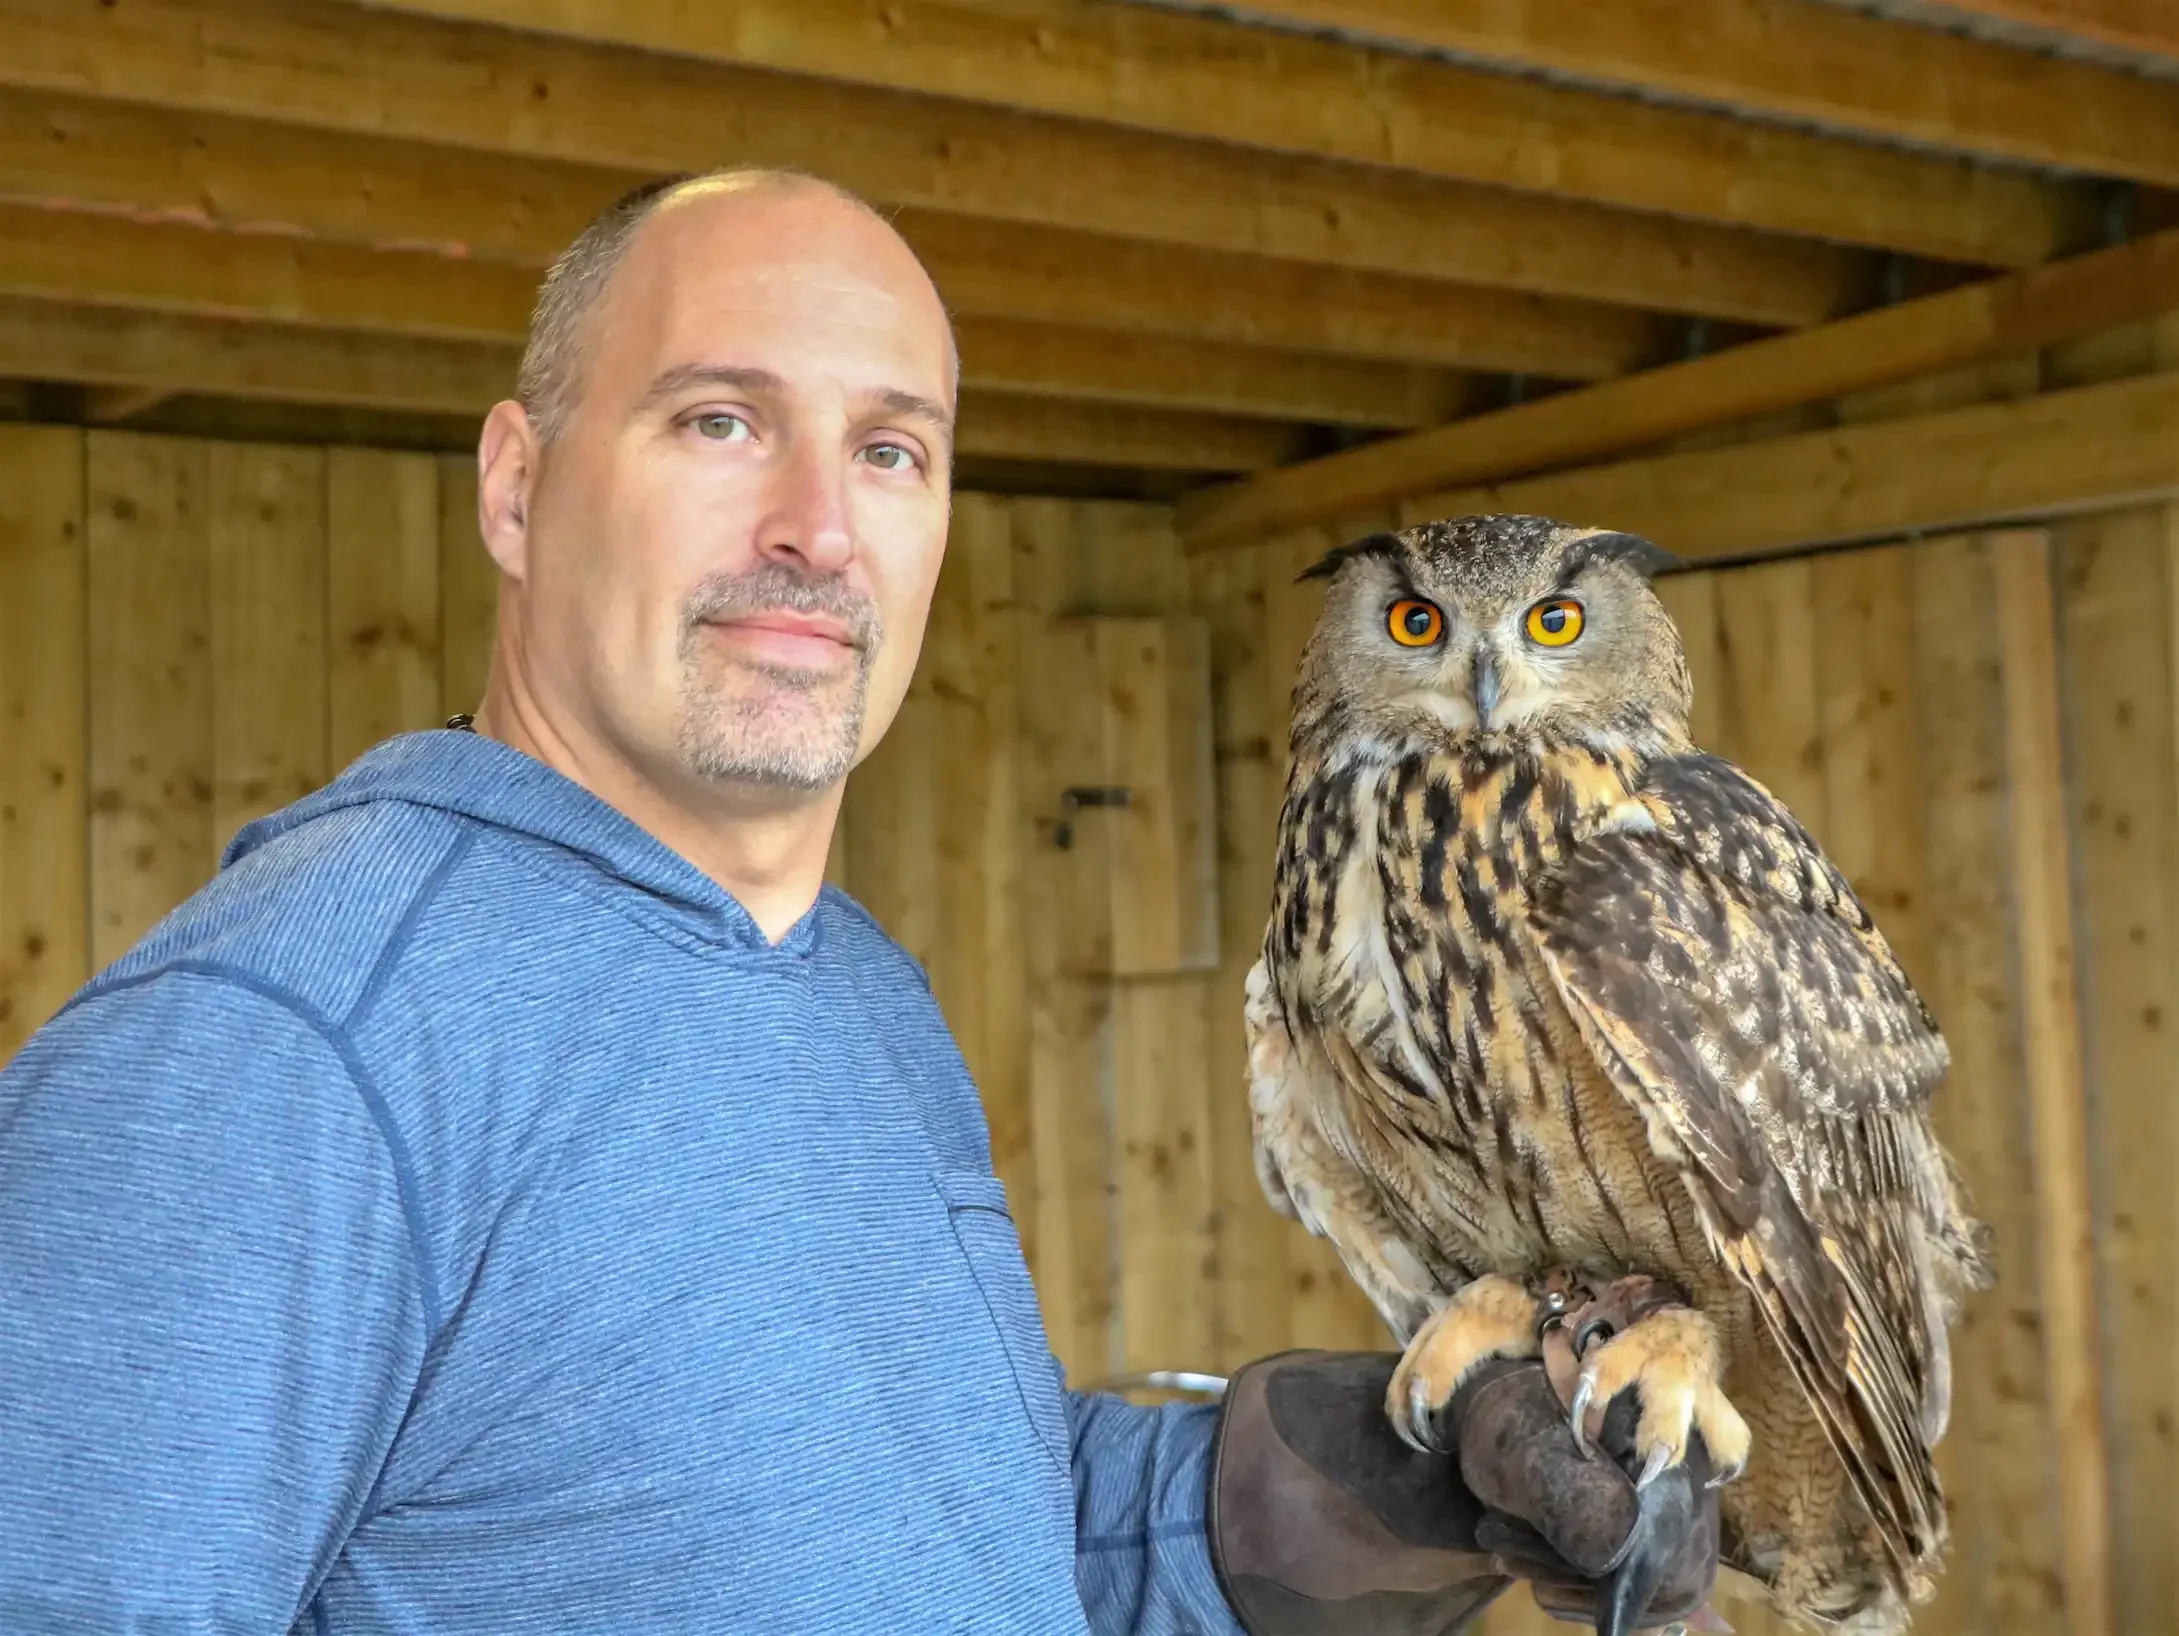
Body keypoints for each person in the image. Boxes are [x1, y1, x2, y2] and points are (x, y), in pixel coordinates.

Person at [0, 168, 1715, 1633]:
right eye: (721, 421)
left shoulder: (847, 991)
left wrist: (1397, 1478)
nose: (816, 527)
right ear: (516, 489)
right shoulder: (275, 1051)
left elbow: (943, 1528)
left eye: (890, 450)